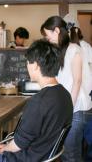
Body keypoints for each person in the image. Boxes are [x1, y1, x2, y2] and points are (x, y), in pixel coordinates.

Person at [0, 39, 73, 162]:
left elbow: (19, 144)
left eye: (28, 62)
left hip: (25, 158)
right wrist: (6, 147)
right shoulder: (65, 95)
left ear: (35, 65)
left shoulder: (39, 101)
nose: (27, 65)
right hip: (42, 155)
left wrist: (0, 150)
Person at [41, 16, 92, 161]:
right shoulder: (61, 50)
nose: (46, 37)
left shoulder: (74, 49)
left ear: (56, 30)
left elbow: (77, 81)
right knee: (67, 152)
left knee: (70, 153)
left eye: (47, 34)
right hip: (68, 107)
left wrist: (68, 107)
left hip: (75, 108)